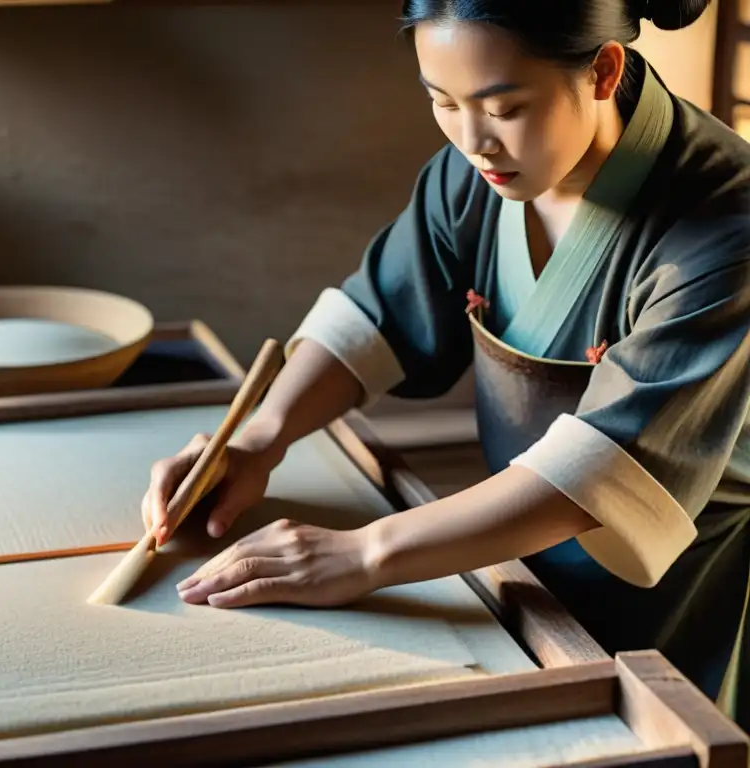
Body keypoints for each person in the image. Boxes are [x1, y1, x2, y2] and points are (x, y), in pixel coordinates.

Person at [142, 0, 750, 729]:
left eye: (505, 107)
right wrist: (256, 439)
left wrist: (367, 555)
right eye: (442, 101)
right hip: (504, 546)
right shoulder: (475, 176)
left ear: (602, 71)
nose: (473, 142)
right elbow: (378, 315)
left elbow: (606, 471)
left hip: (672, 579)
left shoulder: (725, 225)